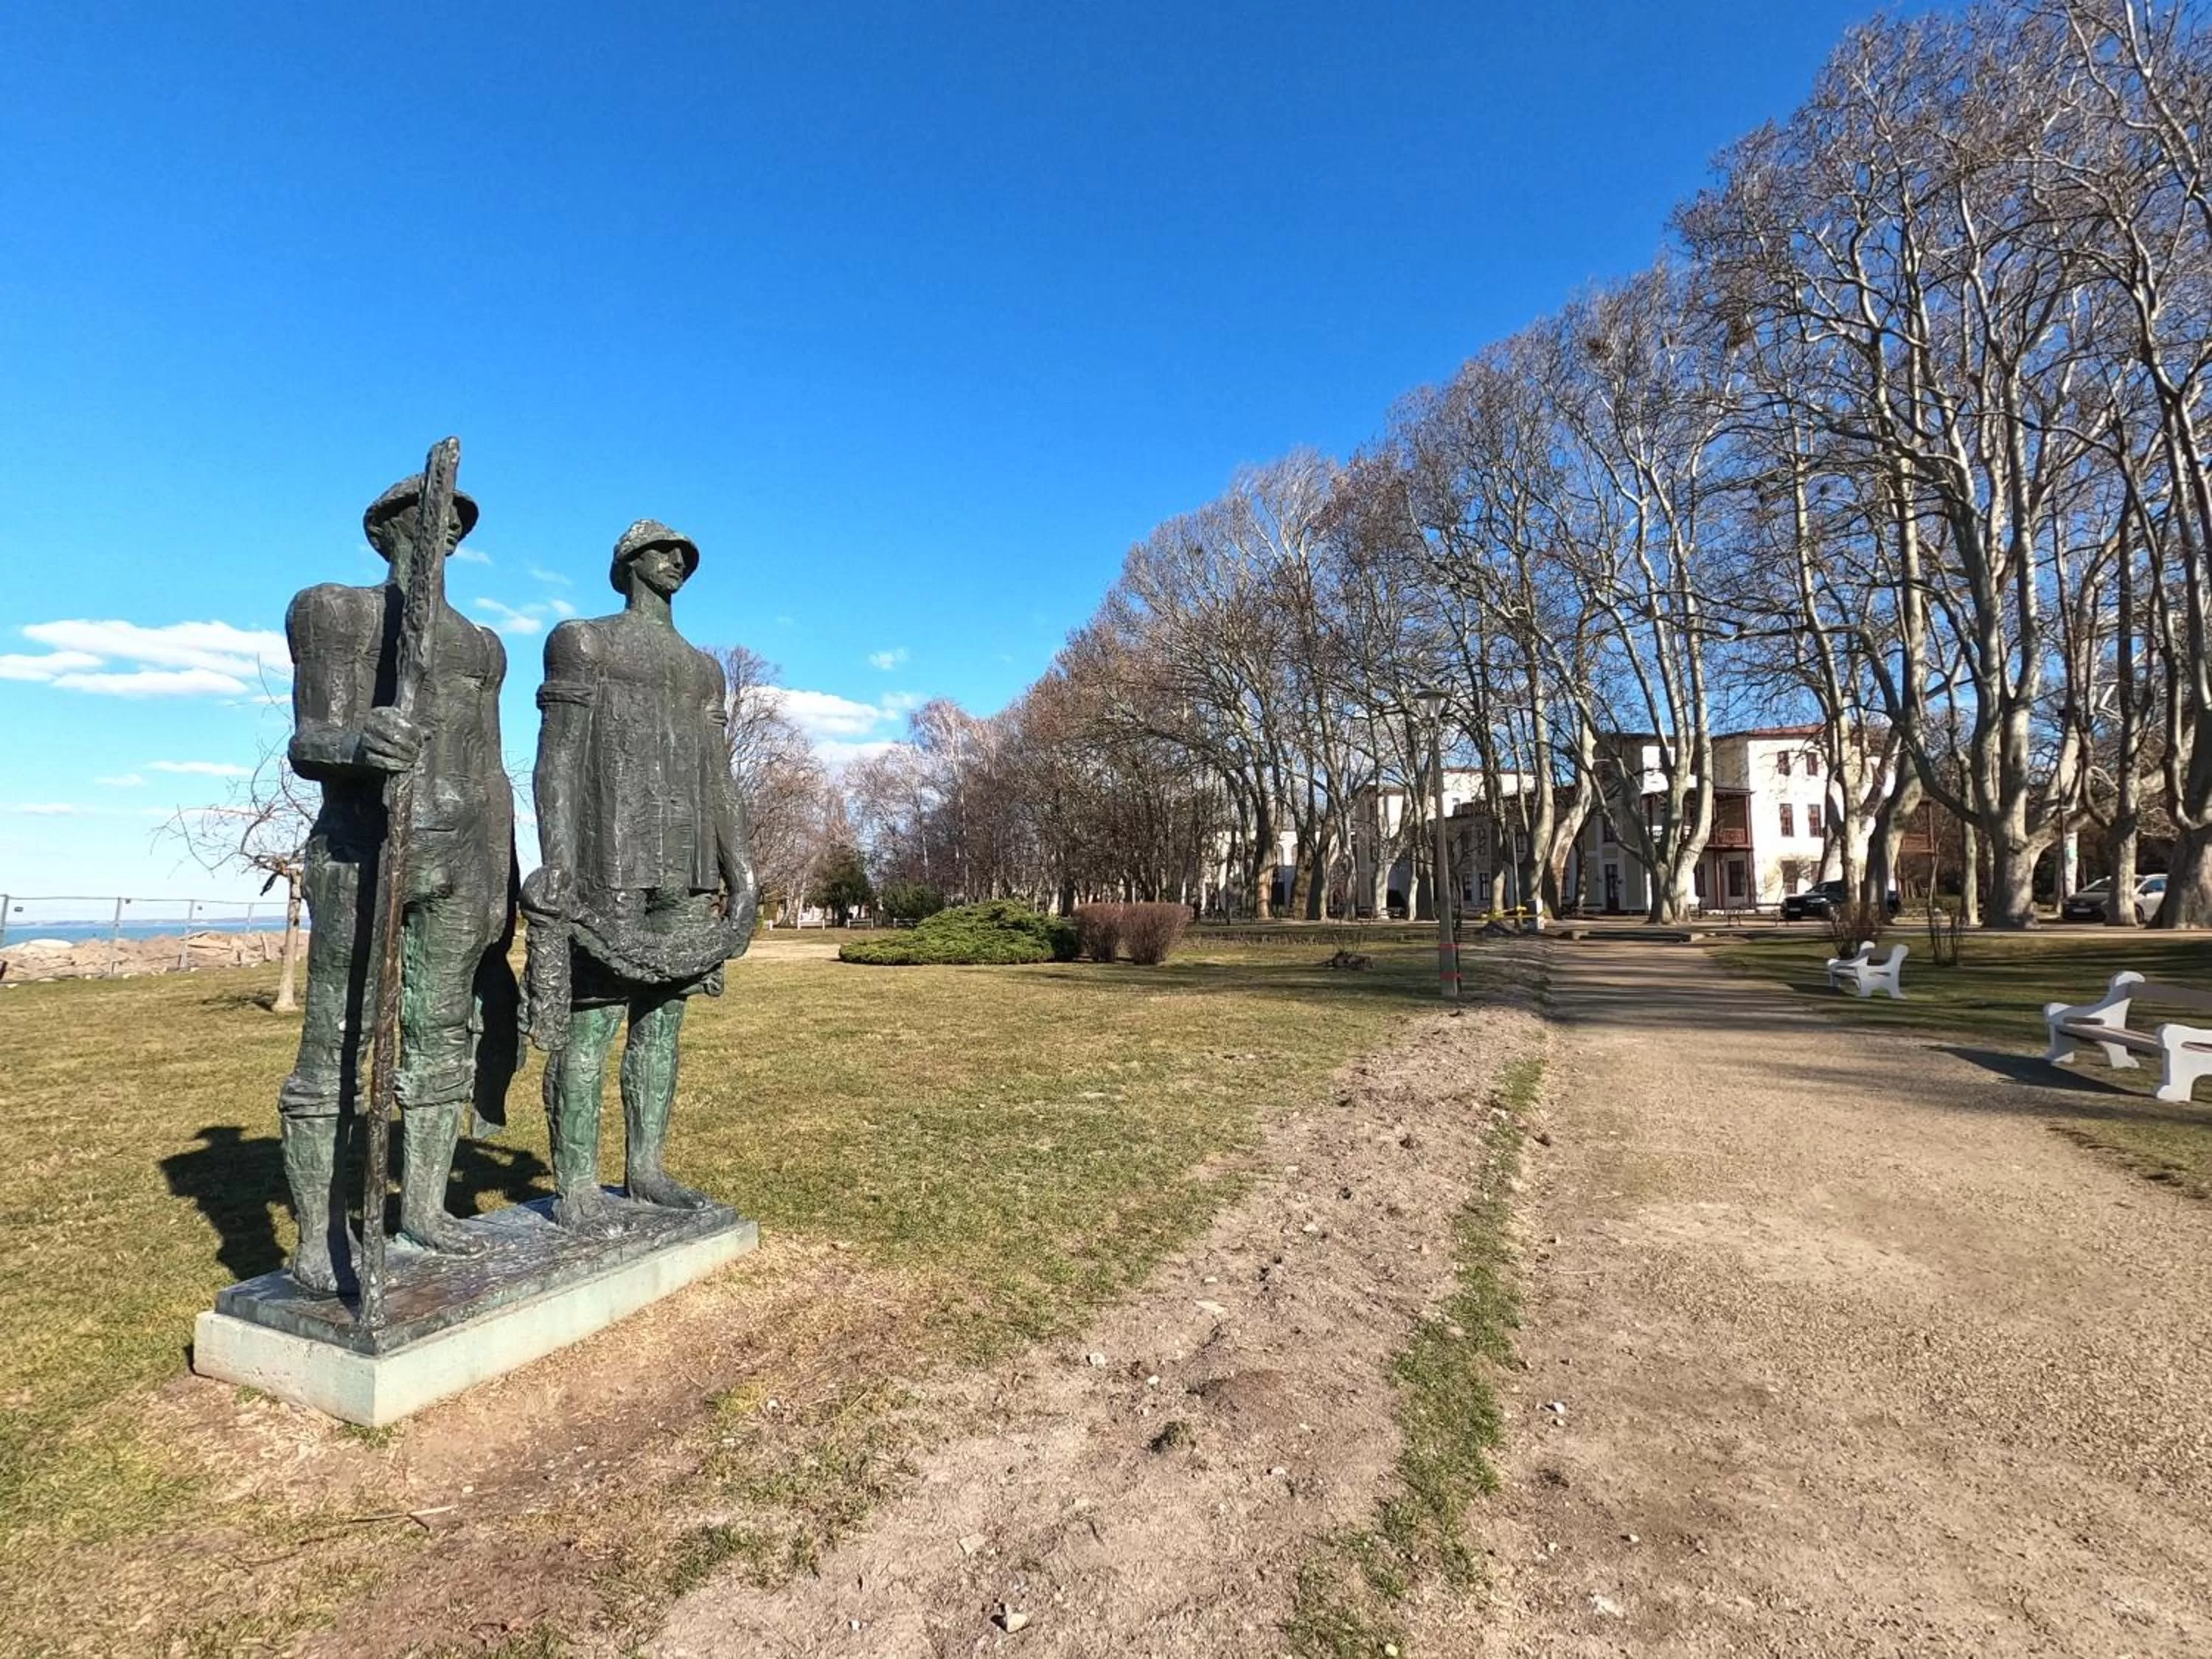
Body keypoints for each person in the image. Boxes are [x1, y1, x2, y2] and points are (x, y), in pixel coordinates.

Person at [276, 477, 519, 1292]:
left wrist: (502, 880)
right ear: (386, 528)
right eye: (430, 513)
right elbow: (309, 740)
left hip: (459, 854)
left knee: (443, 1033)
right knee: (339, 1040)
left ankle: (422, 1208)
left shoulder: (481, 645)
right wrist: (359, 743)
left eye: (457, 520)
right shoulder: (335, 611)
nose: (447, 526)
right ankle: (320, 1239)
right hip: (364, 849)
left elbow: (491, 770)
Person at [524, 519, 755, 1231]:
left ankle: (646, 1169)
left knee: (662, 1027)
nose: (676, 560)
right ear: (628, 562)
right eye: (661, 550)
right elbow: (558, 758)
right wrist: (558, 861)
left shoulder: (703, 670)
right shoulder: (583, 641)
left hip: (685, 865)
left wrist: (741, 872)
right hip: (609, 861)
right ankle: (577, 1183)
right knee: (589, 1029)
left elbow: (720, 777)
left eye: (683, 553)